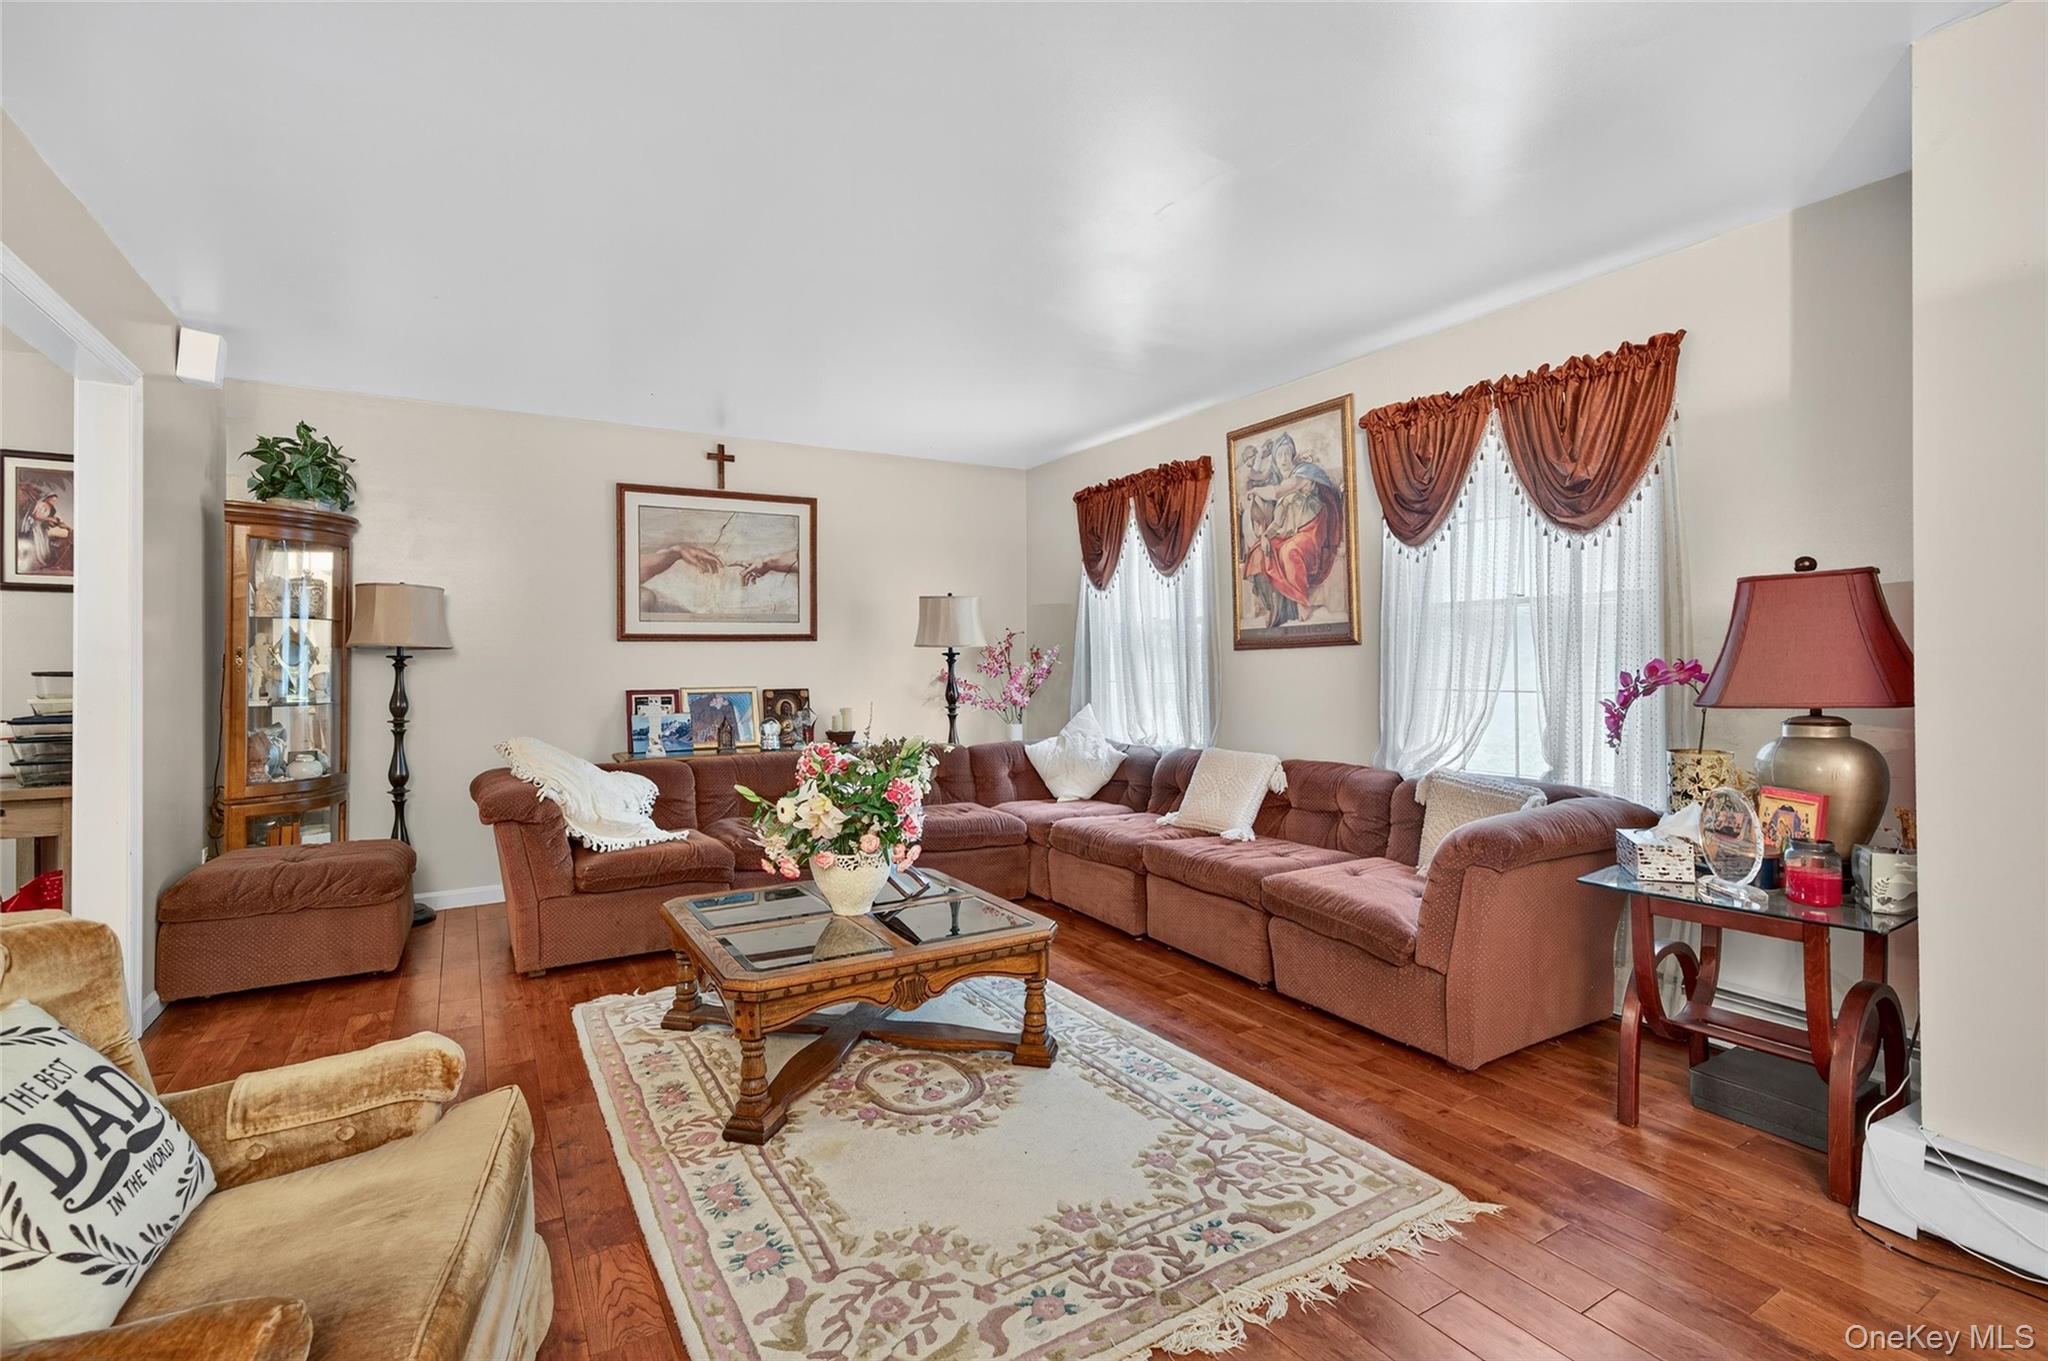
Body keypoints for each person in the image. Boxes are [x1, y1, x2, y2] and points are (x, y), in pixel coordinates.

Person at [1239, 433, 1345, 627]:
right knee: (1258, 552)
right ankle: (1274, 609)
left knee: (1289, 551)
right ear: (1275, 461)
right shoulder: (1283, 494)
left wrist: (1255, 491)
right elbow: (1277, 524)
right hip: (1294, 533)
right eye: (1279, 455)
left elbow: (1278, 491)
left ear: (1293, 456)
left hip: (1313, 530)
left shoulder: (1304, 474)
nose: (1284, 460)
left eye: (1288, 454)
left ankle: (1301, 600)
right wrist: (1264, 537)